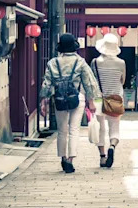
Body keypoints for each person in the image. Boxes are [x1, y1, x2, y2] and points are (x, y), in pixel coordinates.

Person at [40, 33, 100, 173]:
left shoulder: (52, 63)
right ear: (74, 47)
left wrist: (44, 101)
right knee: (74, 129)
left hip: (59, 98)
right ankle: (70, 160)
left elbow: (47, 83)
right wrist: (91, 102)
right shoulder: (80, 62)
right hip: (76, 97)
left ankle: (63, 157)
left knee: (62, 130)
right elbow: (89, 83)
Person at [91, 33, 129, 168]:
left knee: (100, 128)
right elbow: (122, 81)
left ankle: (102, 157)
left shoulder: (95, 62)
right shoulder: (121, 63)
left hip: (99, 100)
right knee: (114, 128)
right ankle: (112, 146)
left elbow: (93, 82)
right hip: (116, 99)